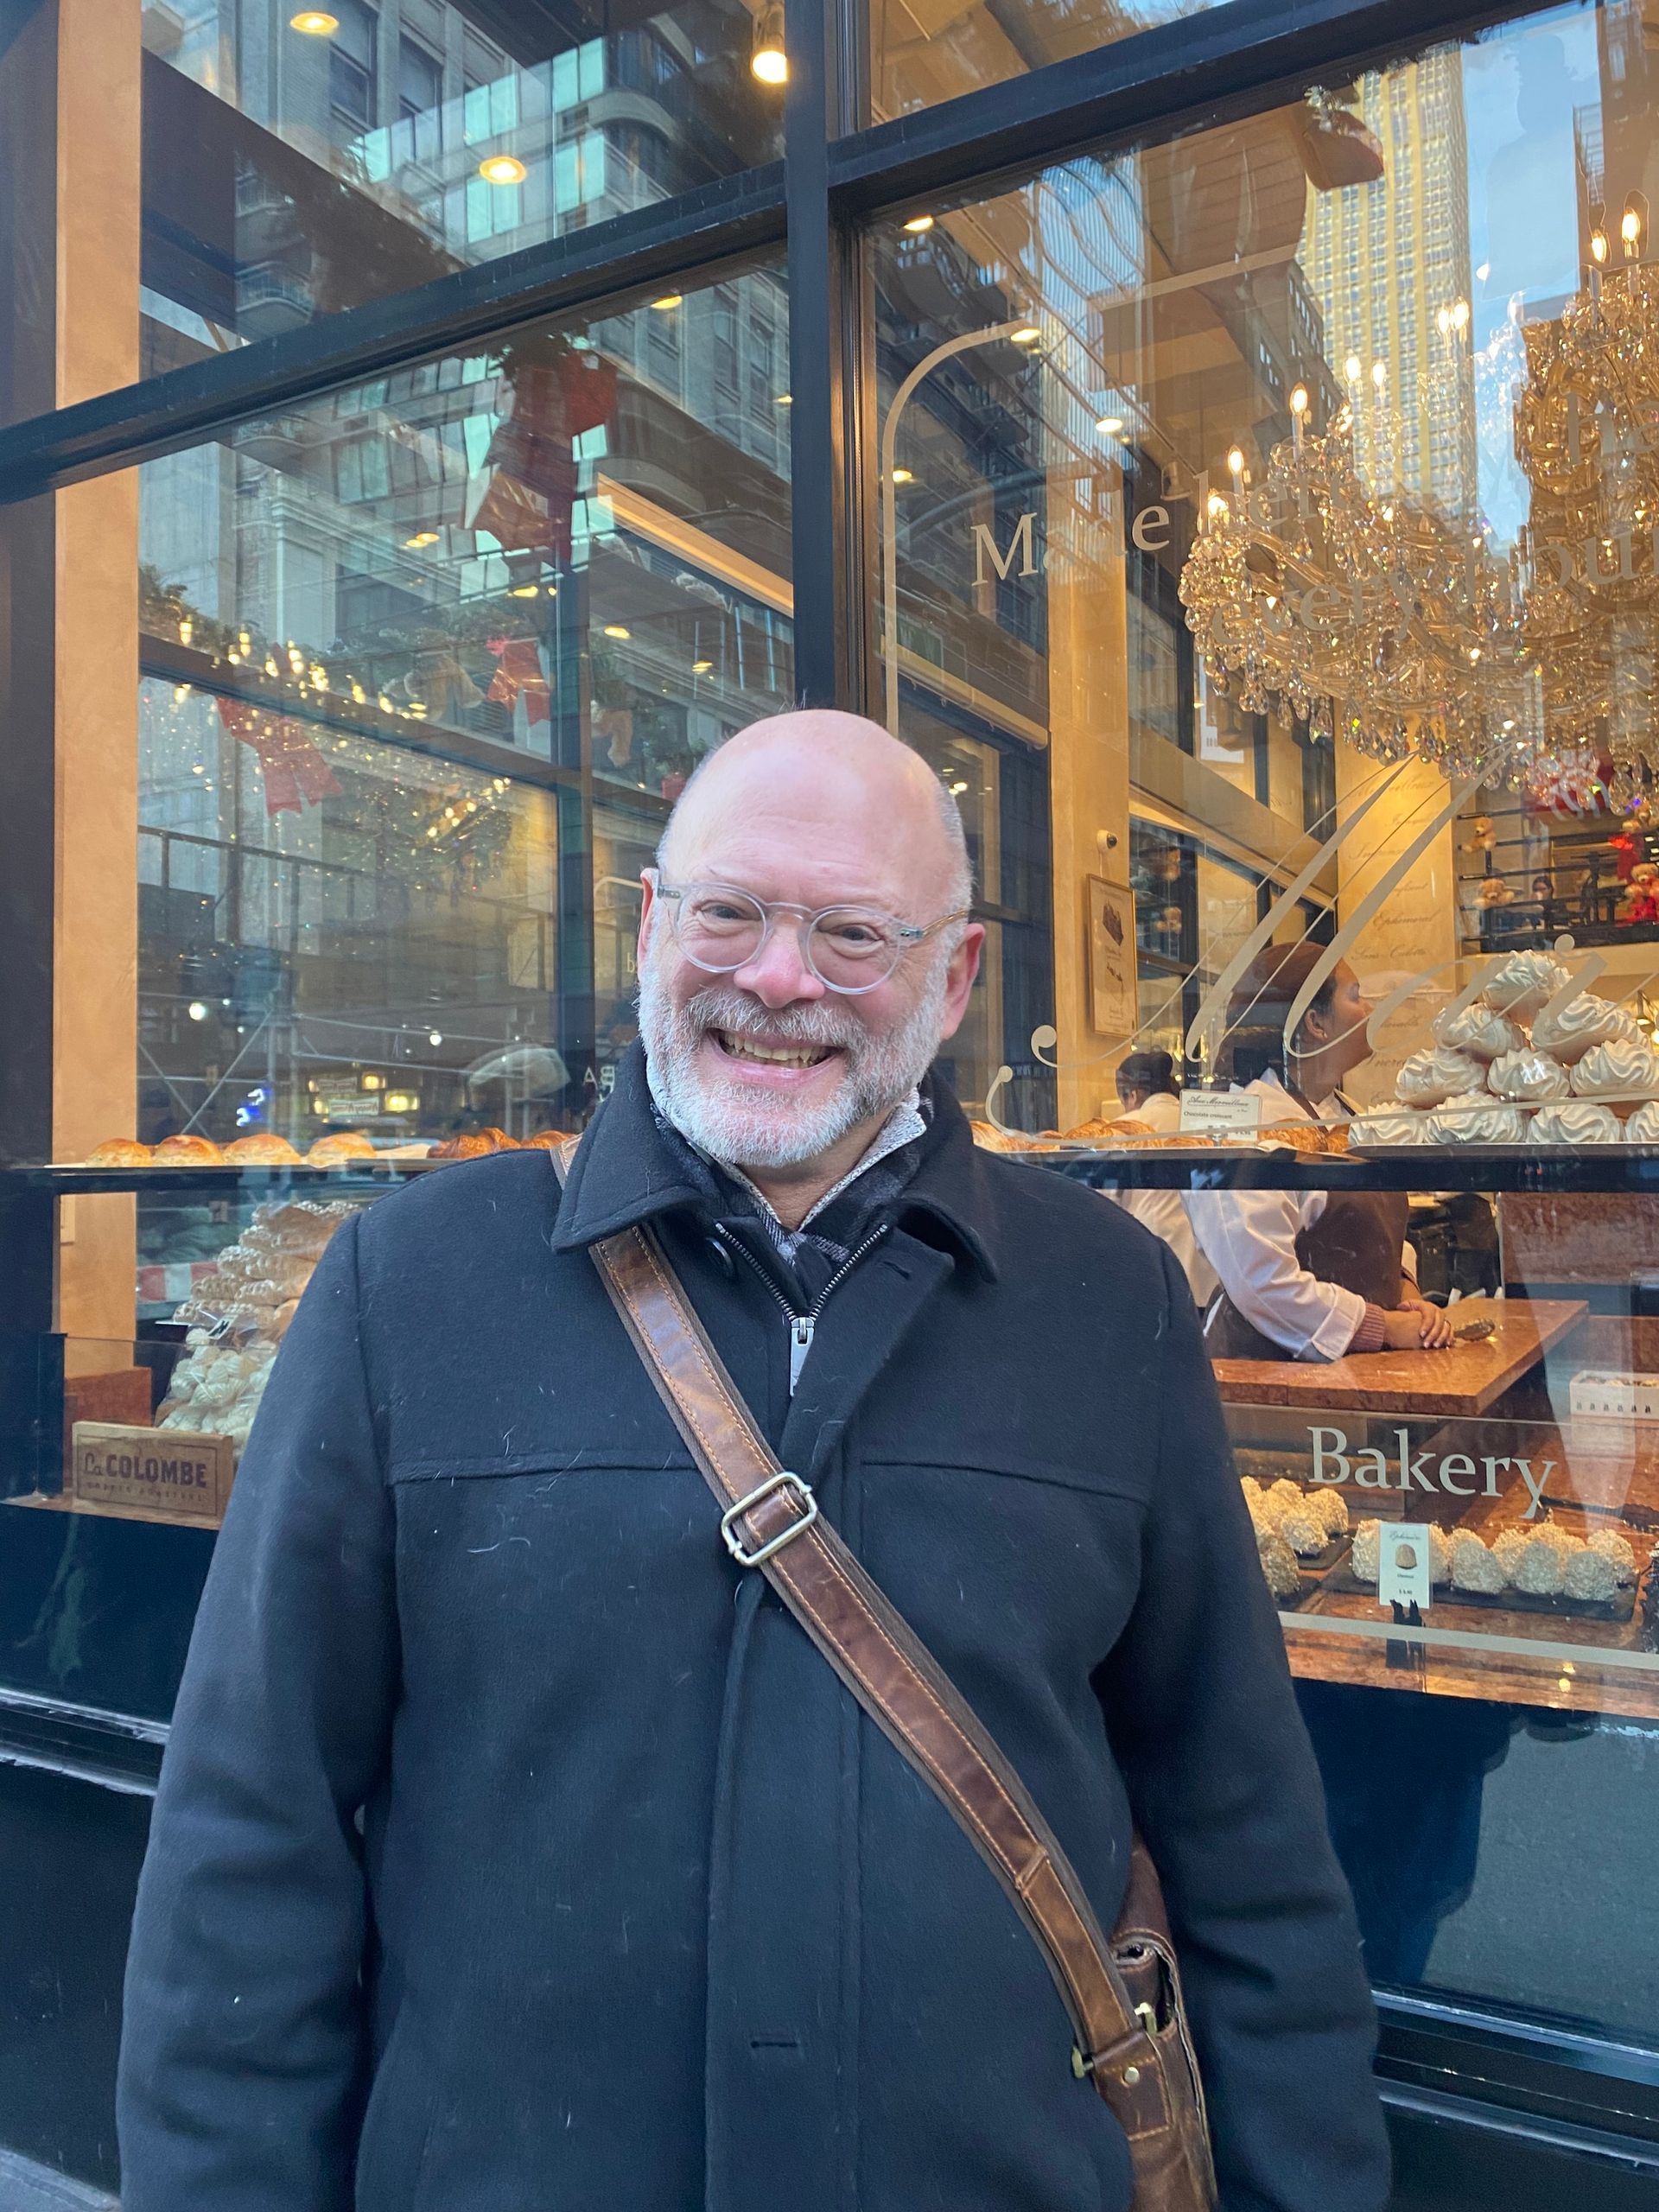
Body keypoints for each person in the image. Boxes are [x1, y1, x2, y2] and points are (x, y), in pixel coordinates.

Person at [118, 714, 1389, 2212]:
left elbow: (1242, 1829)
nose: (778, 978)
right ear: (655, 925)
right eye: (729, 912)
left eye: (853, 931)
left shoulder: (1107, 1305)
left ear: (956, 977)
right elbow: (247, 1840)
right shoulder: (408, 1290)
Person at [1185, 939, 1452, 1360]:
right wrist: (1380, 1326)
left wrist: (1405, 1292)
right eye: (1355, 996)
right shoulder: (1245, 1124)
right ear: (1315, 1022)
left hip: (1354, 1369)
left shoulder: (1346, 1113)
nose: (1369, 1011)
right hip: (1269, 1373)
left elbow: (1375, 1238)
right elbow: (1262, 1281)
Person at [1108, 1048, 1218, 1306]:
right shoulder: (1200, 1120)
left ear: (1132, 1094)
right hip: (1208, 1263)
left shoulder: (1128, 1126)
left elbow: (1105, 1202)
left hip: (1155, 1259)